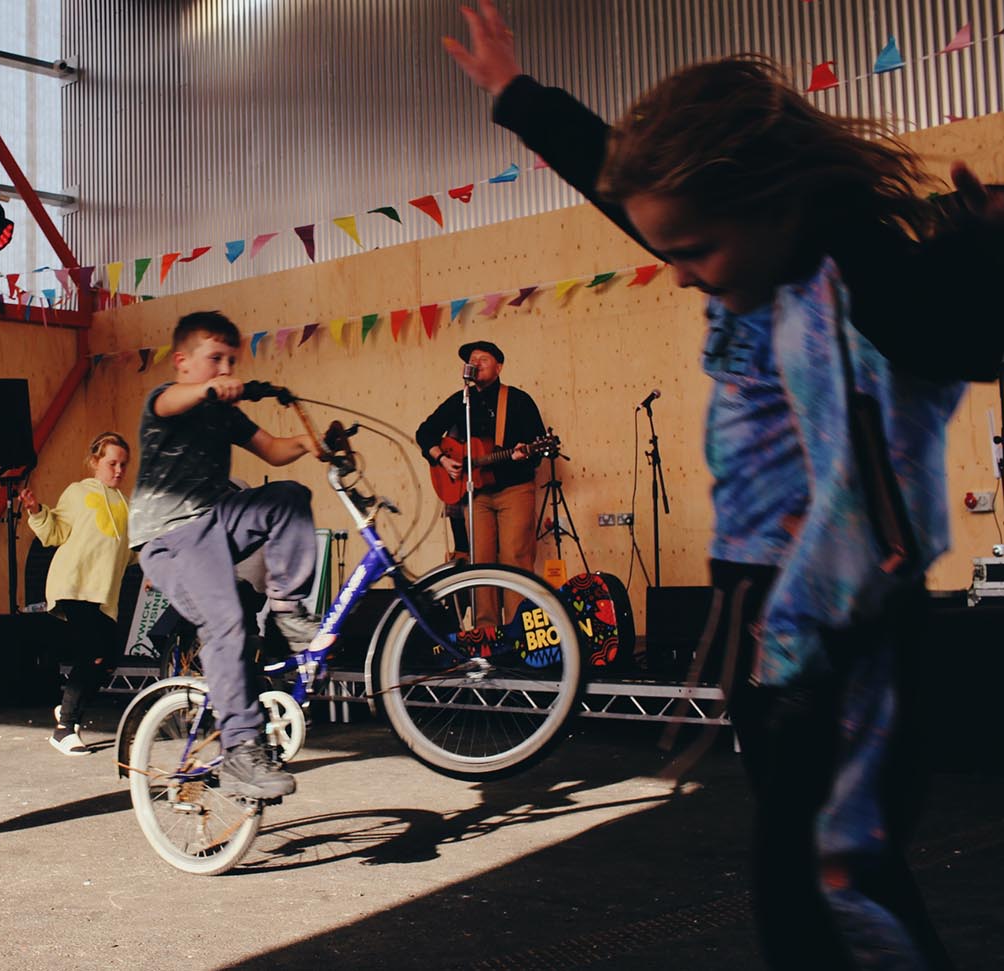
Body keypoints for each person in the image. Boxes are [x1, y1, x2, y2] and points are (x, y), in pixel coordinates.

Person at [445, 4, 1002, 966]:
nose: (687, 274)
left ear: (769, 202)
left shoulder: (862, 273)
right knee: (823, 876)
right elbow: (617, 179)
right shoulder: (752, 245)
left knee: (820, 888)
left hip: (844, 629)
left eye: (695, 253)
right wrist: (517, 96)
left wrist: (986, 250)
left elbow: (955, 331)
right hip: (766, 608)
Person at [130, 310, 322, 800]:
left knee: (289, 499)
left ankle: (288, 611)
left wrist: (307, 443)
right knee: (227, 621)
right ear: (182, 361)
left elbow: (273, 450)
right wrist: (210, 388)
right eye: (214, 359)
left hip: (216, 519)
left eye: (231, 361)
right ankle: (240, 746)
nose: (225, 370)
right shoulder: (166, 399)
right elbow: (175, 400)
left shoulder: (224, 412)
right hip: (171, 534)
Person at [415, 339, 546, 624]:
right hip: (475, 495)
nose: (476, 362)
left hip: (514, 489)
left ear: (499, 367)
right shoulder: (461, 400)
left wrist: (525, 454)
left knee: (516, 557)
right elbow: (425, 432)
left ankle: (518, 629)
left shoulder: (518, 401)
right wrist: (441, 459)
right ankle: (486, 632)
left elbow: (538, 444)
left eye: (483, 358)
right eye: (472, 359)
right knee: (481, 563)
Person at [20, 432, 133, 755]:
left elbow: (131, 550)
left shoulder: (125, 504)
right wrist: (36, 510)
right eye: (112, 463)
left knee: (107, 660)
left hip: (104, 595)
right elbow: (54, 531)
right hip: (74, 585)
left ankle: (69, 707)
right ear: (95, 462)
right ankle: (65, 728)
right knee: (94, 652)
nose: (118, 470)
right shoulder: (77, 492)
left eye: (124, 465)